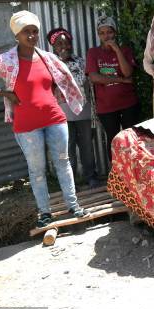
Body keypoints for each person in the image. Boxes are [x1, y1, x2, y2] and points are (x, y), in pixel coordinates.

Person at [0, 11, 89, 227]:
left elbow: (64, 76)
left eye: (34, 31)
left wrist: (61, 89)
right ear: (17, 35)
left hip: (55, 118)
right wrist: (4, 93)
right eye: (26, 32)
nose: (31, 35)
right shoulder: (6, 60)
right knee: (36, 170)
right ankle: (45, 213)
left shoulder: (48, 58)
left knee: (63, 162)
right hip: (26, 125)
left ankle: (73, 206)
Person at [47, 27, 100, 189]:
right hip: (62, 115)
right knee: (67, 150)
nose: (64, 46)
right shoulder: (49, 65)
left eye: (67, 42)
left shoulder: (80, 61)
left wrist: (94, 113)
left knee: (87, 146)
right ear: (53, 47)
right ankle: (72, 183)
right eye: (59, 43)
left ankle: (91, 177)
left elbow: (85, 85)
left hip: (83, 112)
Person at [85, 15, 140, 161]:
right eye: (102, 33)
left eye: (109, 32)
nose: (106, 36)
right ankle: (117, 175)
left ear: (114, 32)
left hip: (128, 103)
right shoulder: (93, 53)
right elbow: (94, 77)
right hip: (106, 107)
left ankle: (135, 172)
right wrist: (120, 79)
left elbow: (128, 72)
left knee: (133, 138)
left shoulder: (125, 50)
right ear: (98, 35)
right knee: (113, 140)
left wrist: (117, 50)